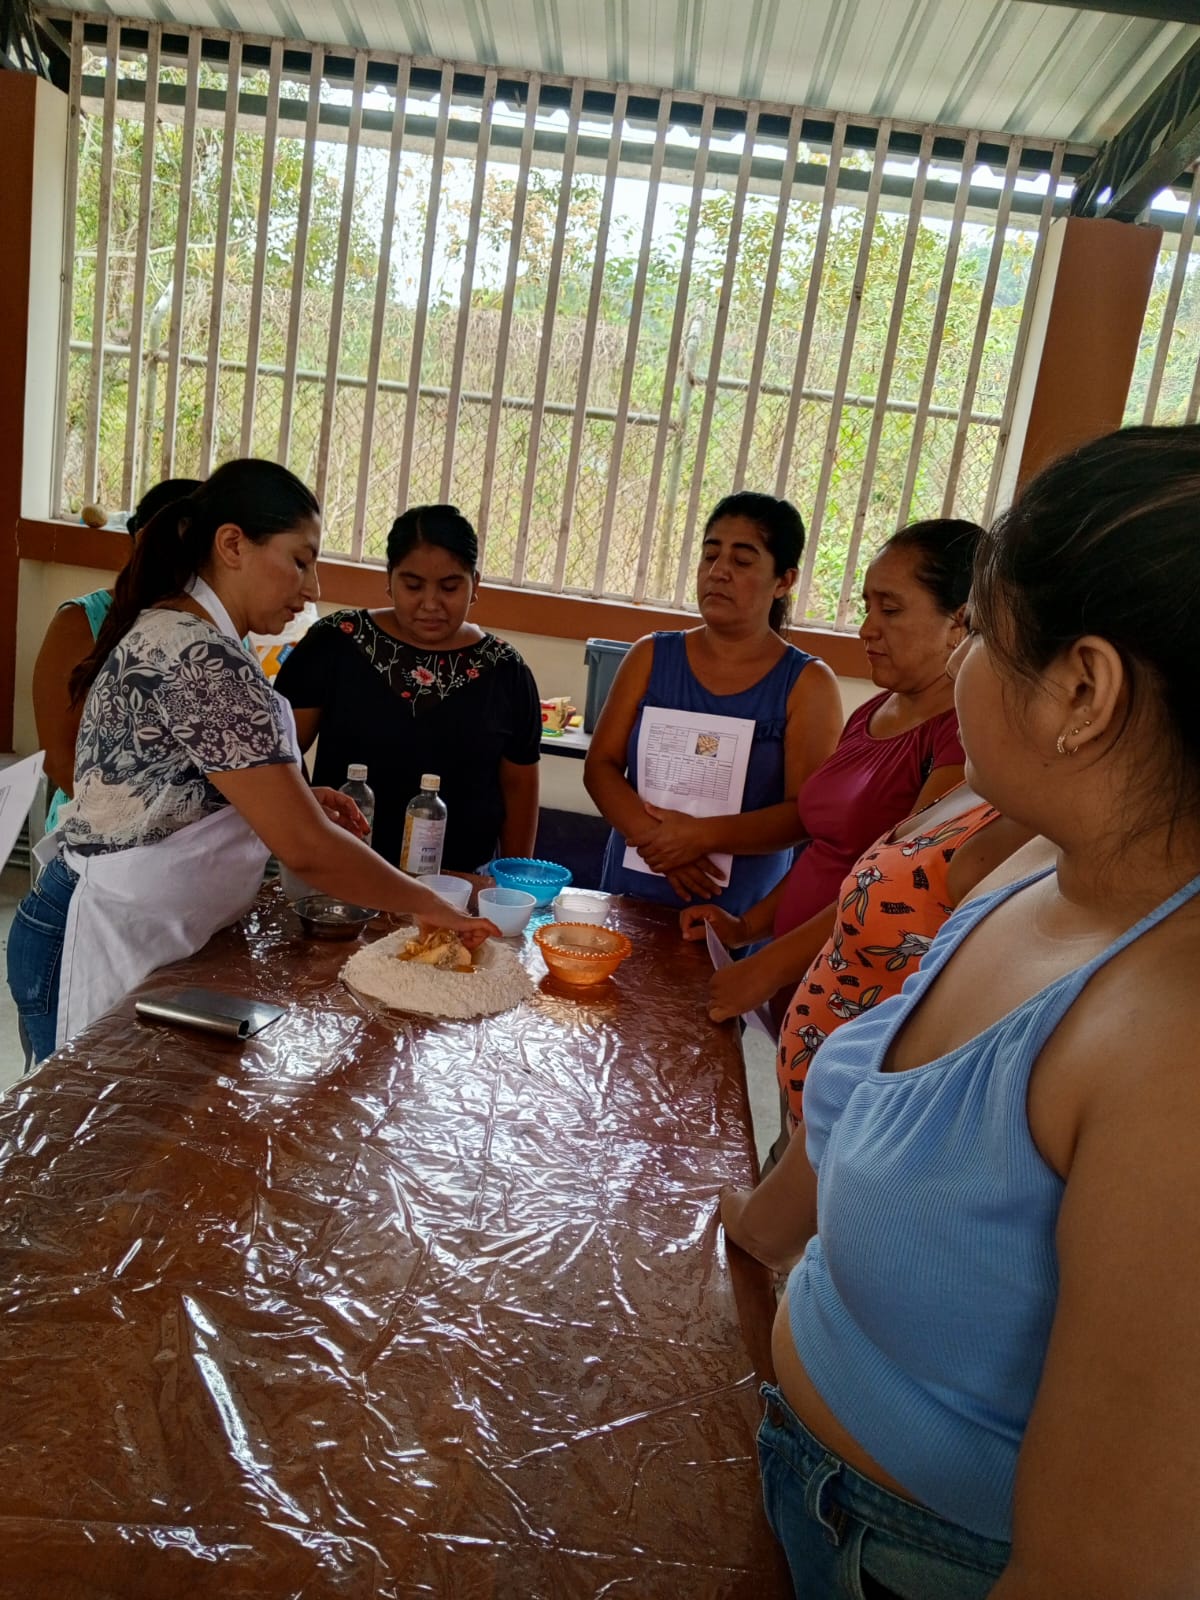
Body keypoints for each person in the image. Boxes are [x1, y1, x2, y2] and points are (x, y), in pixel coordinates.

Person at [750, 425, 1200, 1598]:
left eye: (986, 635)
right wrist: (742, 1250)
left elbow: (1099, 1568)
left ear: (1083, 690)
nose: (963, 668)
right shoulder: (1028, 859)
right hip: (802, 1470)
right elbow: (859, 1109)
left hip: (907, 1560)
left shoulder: (1171, 1045)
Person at [7, 462, 498, 1064]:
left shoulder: (186, 632)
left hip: (131, 926)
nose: (312, 587)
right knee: (83, 1119)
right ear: (233, 544)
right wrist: (428, 903)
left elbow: (175, 782)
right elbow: (307, 849)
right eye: (300, 561)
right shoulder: (199, 655)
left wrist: (293, 796)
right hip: (96, 935)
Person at [713, 784, 1034, 1266]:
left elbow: (937, 1048)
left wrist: (768, 1220)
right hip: (812, 1121)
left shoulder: (1024, 841)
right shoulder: (981, 785)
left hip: (846, 1151)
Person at [685, 517, 981, 1025]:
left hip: (858, 994)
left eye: (890, 609)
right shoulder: (873, 713)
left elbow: (894, 885)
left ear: (959, 622)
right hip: (798, 986)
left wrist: (770, 966)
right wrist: (745, 928)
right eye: (868, 607)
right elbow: (827, 853)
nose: (867, 628)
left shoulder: (960, 736)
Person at [584, 492, 844, 917]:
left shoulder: (808, 684)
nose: (718, 572)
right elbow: (600, 767)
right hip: (634, 887)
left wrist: (700, 838)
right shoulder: (649, 656)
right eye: (710, 555)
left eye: (742, 561)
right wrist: (661, 842)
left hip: (738, 912)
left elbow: (803, 814)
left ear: (784, 581)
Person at [276, 505, 541, 872]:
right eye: (413, 586)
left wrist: (512, 883)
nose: (430, 604)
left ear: (475, 585)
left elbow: (519, 790)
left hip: (459, 883)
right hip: (341, 870)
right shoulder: (337, 643)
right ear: (389, 580)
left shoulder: (505, 670)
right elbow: (279, 753)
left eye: (450, 587)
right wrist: (307, 827)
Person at [32, 477, 201, 832]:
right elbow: (60, 760)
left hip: (191, 837)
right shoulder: (81, 621)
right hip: (96, 835)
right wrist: (143, 834)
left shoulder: (222, 635)